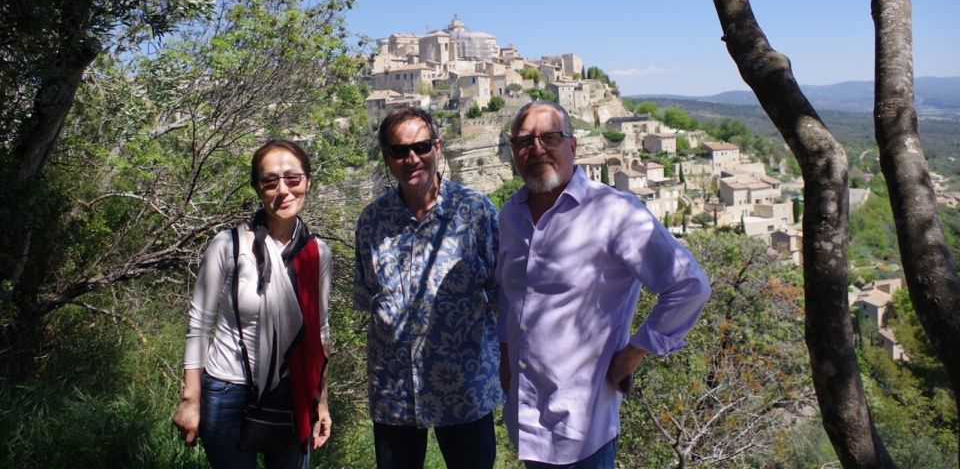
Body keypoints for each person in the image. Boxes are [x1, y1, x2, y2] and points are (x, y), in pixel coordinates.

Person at [497, 102, 711, 469]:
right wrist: (505, 358)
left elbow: (689, 285)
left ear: (572, 146)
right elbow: (510, 295)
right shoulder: (510, 216)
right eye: (524, 141)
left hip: (582, 429)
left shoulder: (613, 212)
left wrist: (633, 354)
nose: (536, 150)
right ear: (513, 153)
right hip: (526, 421)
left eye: (549, 137)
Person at [354, 105, 502, 469]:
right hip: (395, 392)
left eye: (421, 147)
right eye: (399, 150)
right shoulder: (373, 220)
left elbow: (502, 293)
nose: (412, 158)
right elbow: (369, 296)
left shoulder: (476, 211)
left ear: (438, 147)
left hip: (465, 391)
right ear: (387, 157)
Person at [173, 140, 332, 469]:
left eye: (293, 178)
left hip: (293, 391)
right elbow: (199, 324)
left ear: (307, 182)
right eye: (270, 181)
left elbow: (320, 333)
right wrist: (191, 399)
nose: (283, 190)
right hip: (227, 390)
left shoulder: (318, 253)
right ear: (258, 189)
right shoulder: (228, 245)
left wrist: (322, 402)